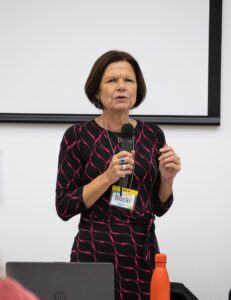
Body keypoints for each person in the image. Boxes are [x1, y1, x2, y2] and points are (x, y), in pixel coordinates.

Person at [55, 50, 181, 299]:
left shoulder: (153, 135)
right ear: (96, 91)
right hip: (94, 252)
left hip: (141, 253)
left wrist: (167, 180)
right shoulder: (77, 136)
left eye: (128, 81)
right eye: (112, 80)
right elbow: (64, 206)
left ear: (137, 89)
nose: (121, 87)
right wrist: (108, 176)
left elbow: (158, 206)